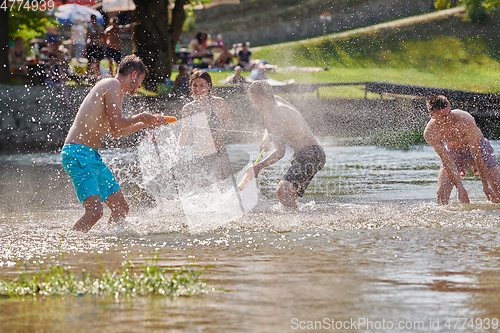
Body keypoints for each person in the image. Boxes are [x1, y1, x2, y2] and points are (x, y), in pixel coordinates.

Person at [61, 55, 170, 233]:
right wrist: (142, 116)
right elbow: (118, 124)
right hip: (77, 153)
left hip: (91, 155)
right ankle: (67, 245)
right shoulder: (112, 84)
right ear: (133, 74)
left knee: (121, 208)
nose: (140, 86)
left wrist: (144, 124)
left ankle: (111, 245)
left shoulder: (117, 91)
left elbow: (116, 132)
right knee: (95, 212)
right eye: (140, 80)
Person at [244, 81, 326, 209]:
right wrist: (266, 138)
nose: (256, 105)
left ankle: (296, 223)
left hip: (310, 156)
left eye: (259, 101)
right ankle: (300, 221)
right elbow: (270, 125)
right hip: (312, 155)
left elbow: (280, 152)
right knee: (288, 198)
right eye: (253, 101)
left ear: (269, 97)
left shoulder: (277, 114)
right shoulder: (275, 102)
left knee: (282, 191)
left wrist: (258, 167)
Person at [423, 95, 500, 205]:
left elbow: (476, 153)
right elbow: (447, 161)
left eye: (449, 112)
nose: (448, 118)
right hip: (454, 152)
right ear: (432, 116)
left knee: (498, 190)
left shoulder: (465, 119)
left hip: (479, 148)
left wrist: (485, 185)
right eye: (443, 116)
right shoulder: (430, 133)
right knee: (441, 195)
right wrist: (460, 188)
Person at [176, 69, 235, 187]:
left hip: (218, 155)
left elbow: (230, 124)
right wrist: (178, 150)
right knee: (199, 192)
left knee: (221, 189)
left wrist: (221, 131)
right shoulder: (188, 109)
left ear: (209, 86)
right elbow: (184, 132)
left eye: (202, 85)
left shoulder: (219, 103)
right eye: (195, 85)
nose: (198, 89)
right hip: (197, 156)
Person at [84, 14, 104, 83]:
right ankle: (87, 76)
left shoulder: (99, 27)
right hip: (92, 45)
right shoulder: (89, 27)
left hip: (98, 45)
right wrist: (96, 36)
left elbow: (101, 36)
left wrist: (95, 36)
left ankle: (97, 76)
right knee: (90, 61)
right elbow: (90, 36)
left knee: (98, 62)